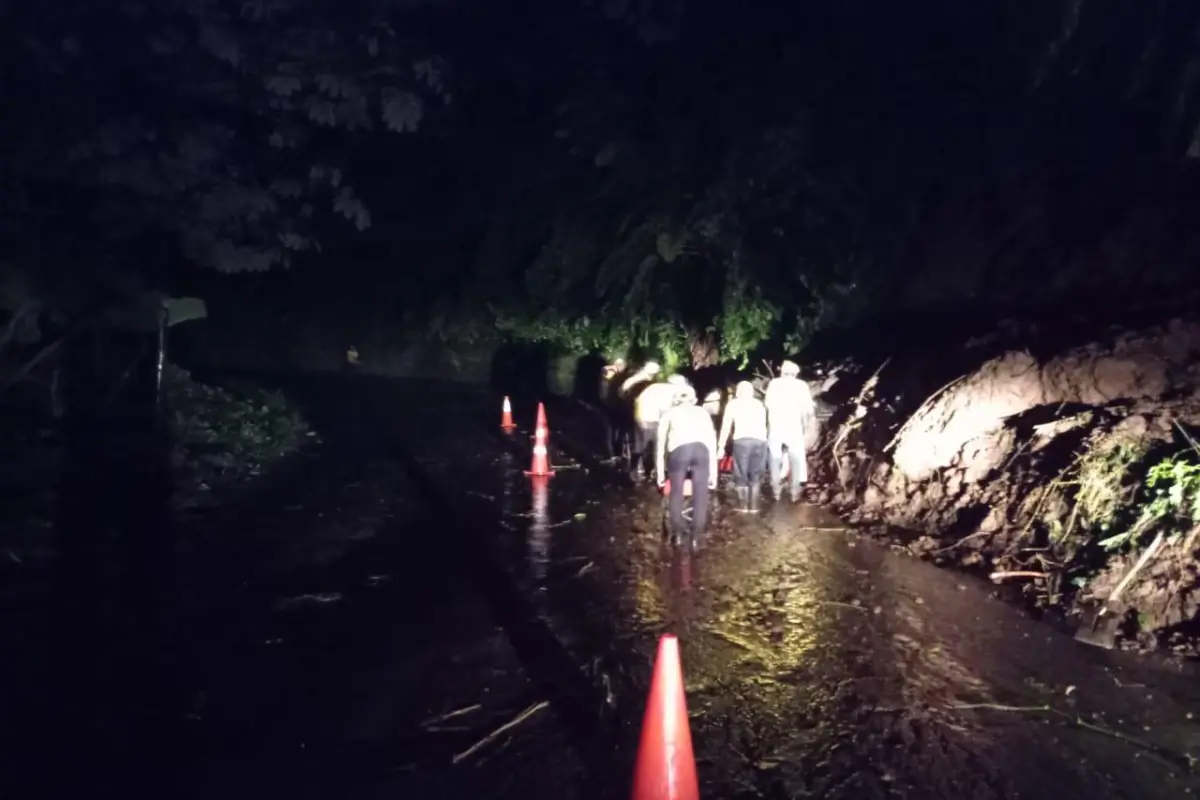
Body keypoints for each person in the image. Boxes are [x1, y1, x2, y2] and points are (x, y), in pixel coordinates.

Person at [656, 382, 718, 547]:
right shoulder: (703, 412)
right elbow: (712, 442)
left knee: (676, 492)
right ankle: (696, 536)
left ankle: (678, 534)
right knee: (701, 495)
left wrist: (660, 473)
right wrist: (714, 473)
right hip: (701, 450)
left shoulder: (669, 414)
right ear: (693, 398)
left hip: (679, 451)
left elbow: (660, 446)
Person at [764, 359, 816, 502]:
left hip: (776, 427)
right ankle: (794, 492)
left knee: (775, 458)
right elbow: (808, 410)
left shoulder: (774, 384)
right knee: (797, 458)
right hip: (794, 427)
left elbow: (767, 404)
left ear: (782, 371)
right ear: (796, 373)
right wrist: (808, 427)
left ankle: (775, 491)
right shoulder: (801, 385)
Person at [717, 380, 768, 513]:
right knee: (756, 474)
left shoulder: (733, 404)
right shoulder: (759, 404)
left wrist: (721, 446)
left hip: (742, 441)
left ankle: (743, 506)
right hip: (760, 441)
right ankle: (754, 507)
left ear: (738, 392)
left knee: (741, 474)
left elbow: (726, 426)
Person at [628, 363, 675, 482]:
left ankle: (634, 471)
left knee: (640, 445)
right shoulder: (670, 391)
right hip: (650, 418)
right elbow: (666, 410)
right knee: (656, 446)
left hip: (639, 416)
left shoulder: (654, 386)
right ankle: (657, 474)